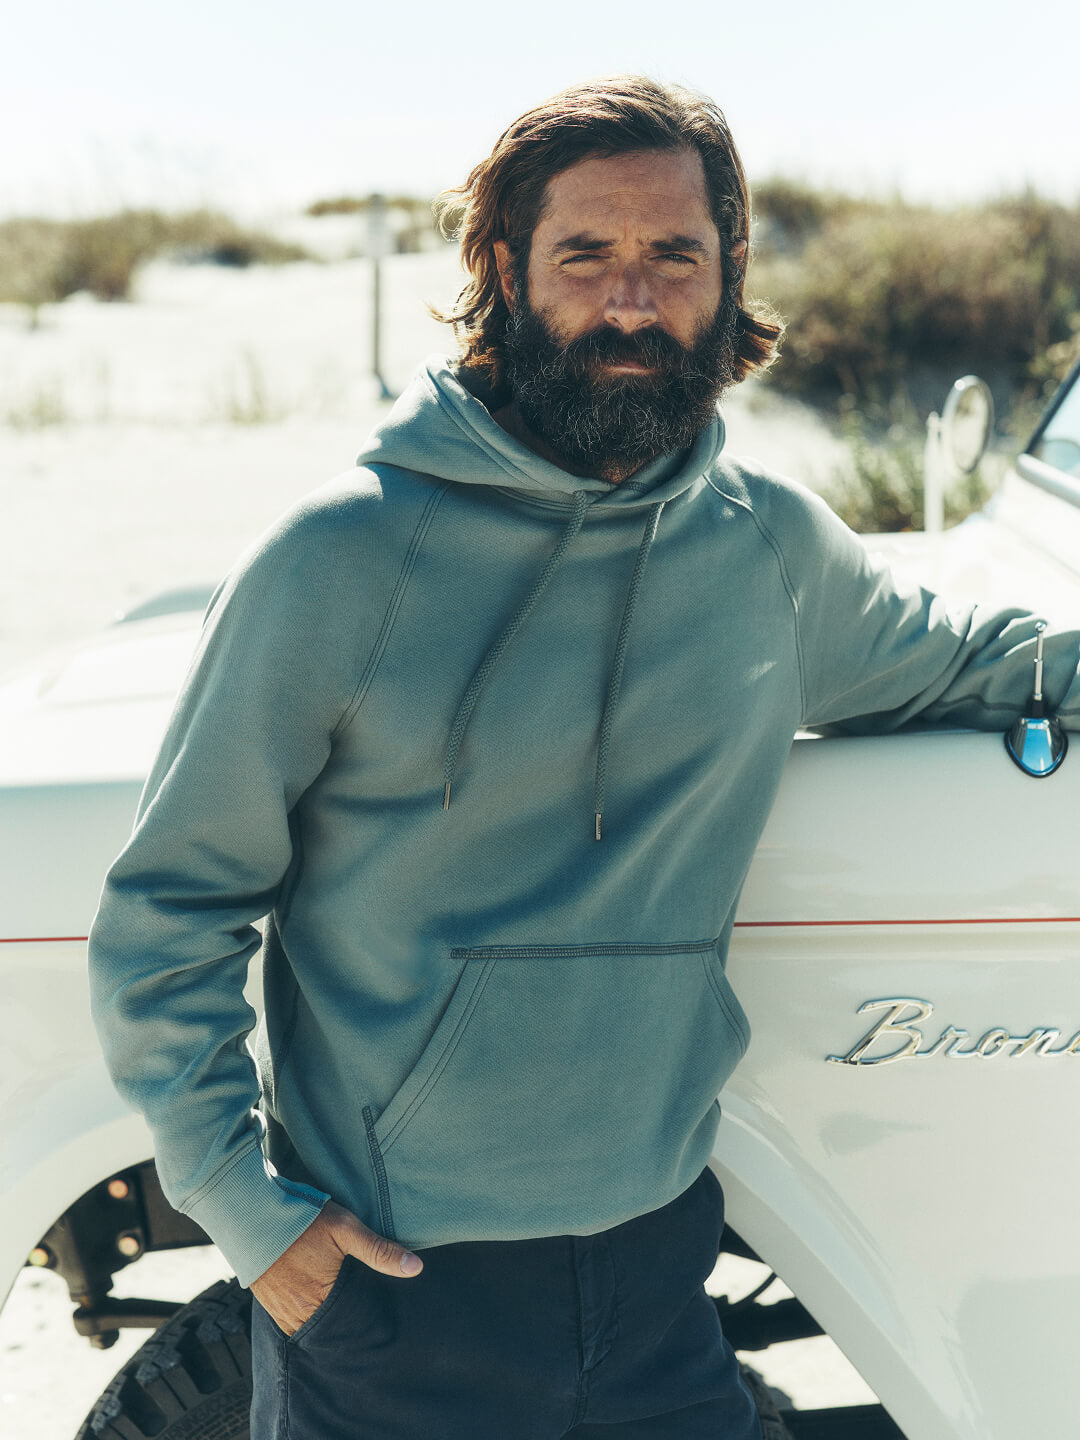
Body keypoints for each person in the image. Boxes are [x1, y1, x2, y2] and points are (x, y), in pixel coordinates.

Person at [86, 75, 1080, 1439]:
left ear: (729, 272)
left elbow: (975, 662)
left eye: (675, 255)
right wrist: (255, 1224)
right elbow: (165, 916)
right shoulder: (341, 559)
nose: (634, 300)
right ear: (505, 267)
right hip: (392, 1290)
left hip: (664, 1269)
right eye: (587, 255)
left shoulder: (765, 548)